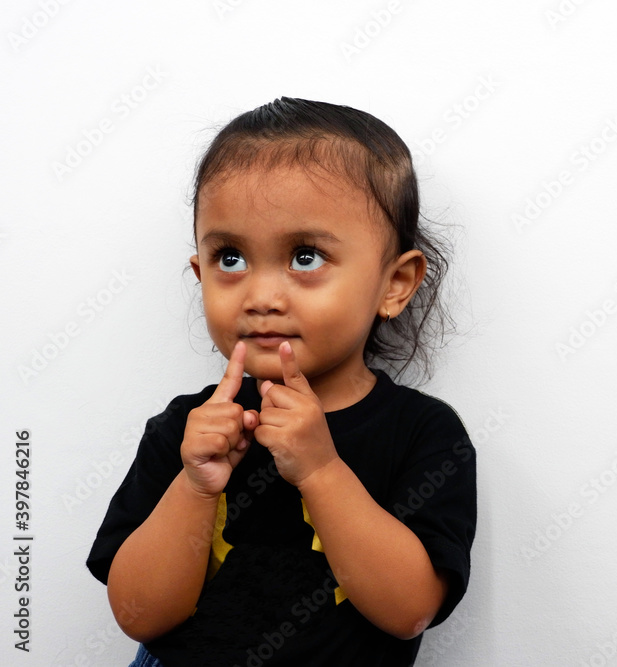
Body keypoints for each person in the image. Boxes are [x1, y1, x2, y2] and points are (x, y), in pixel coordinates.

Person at [86, 98, 477, 666]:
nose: (261, 296)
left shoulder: (424, 434)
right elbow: (140, 615)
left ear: (395, 283)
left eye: (304, 255)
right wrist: (195, 486)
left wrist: (321, 470)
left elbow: (408, 610)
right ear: (199, 271)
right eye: (230, 258)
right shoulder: (184, 430)